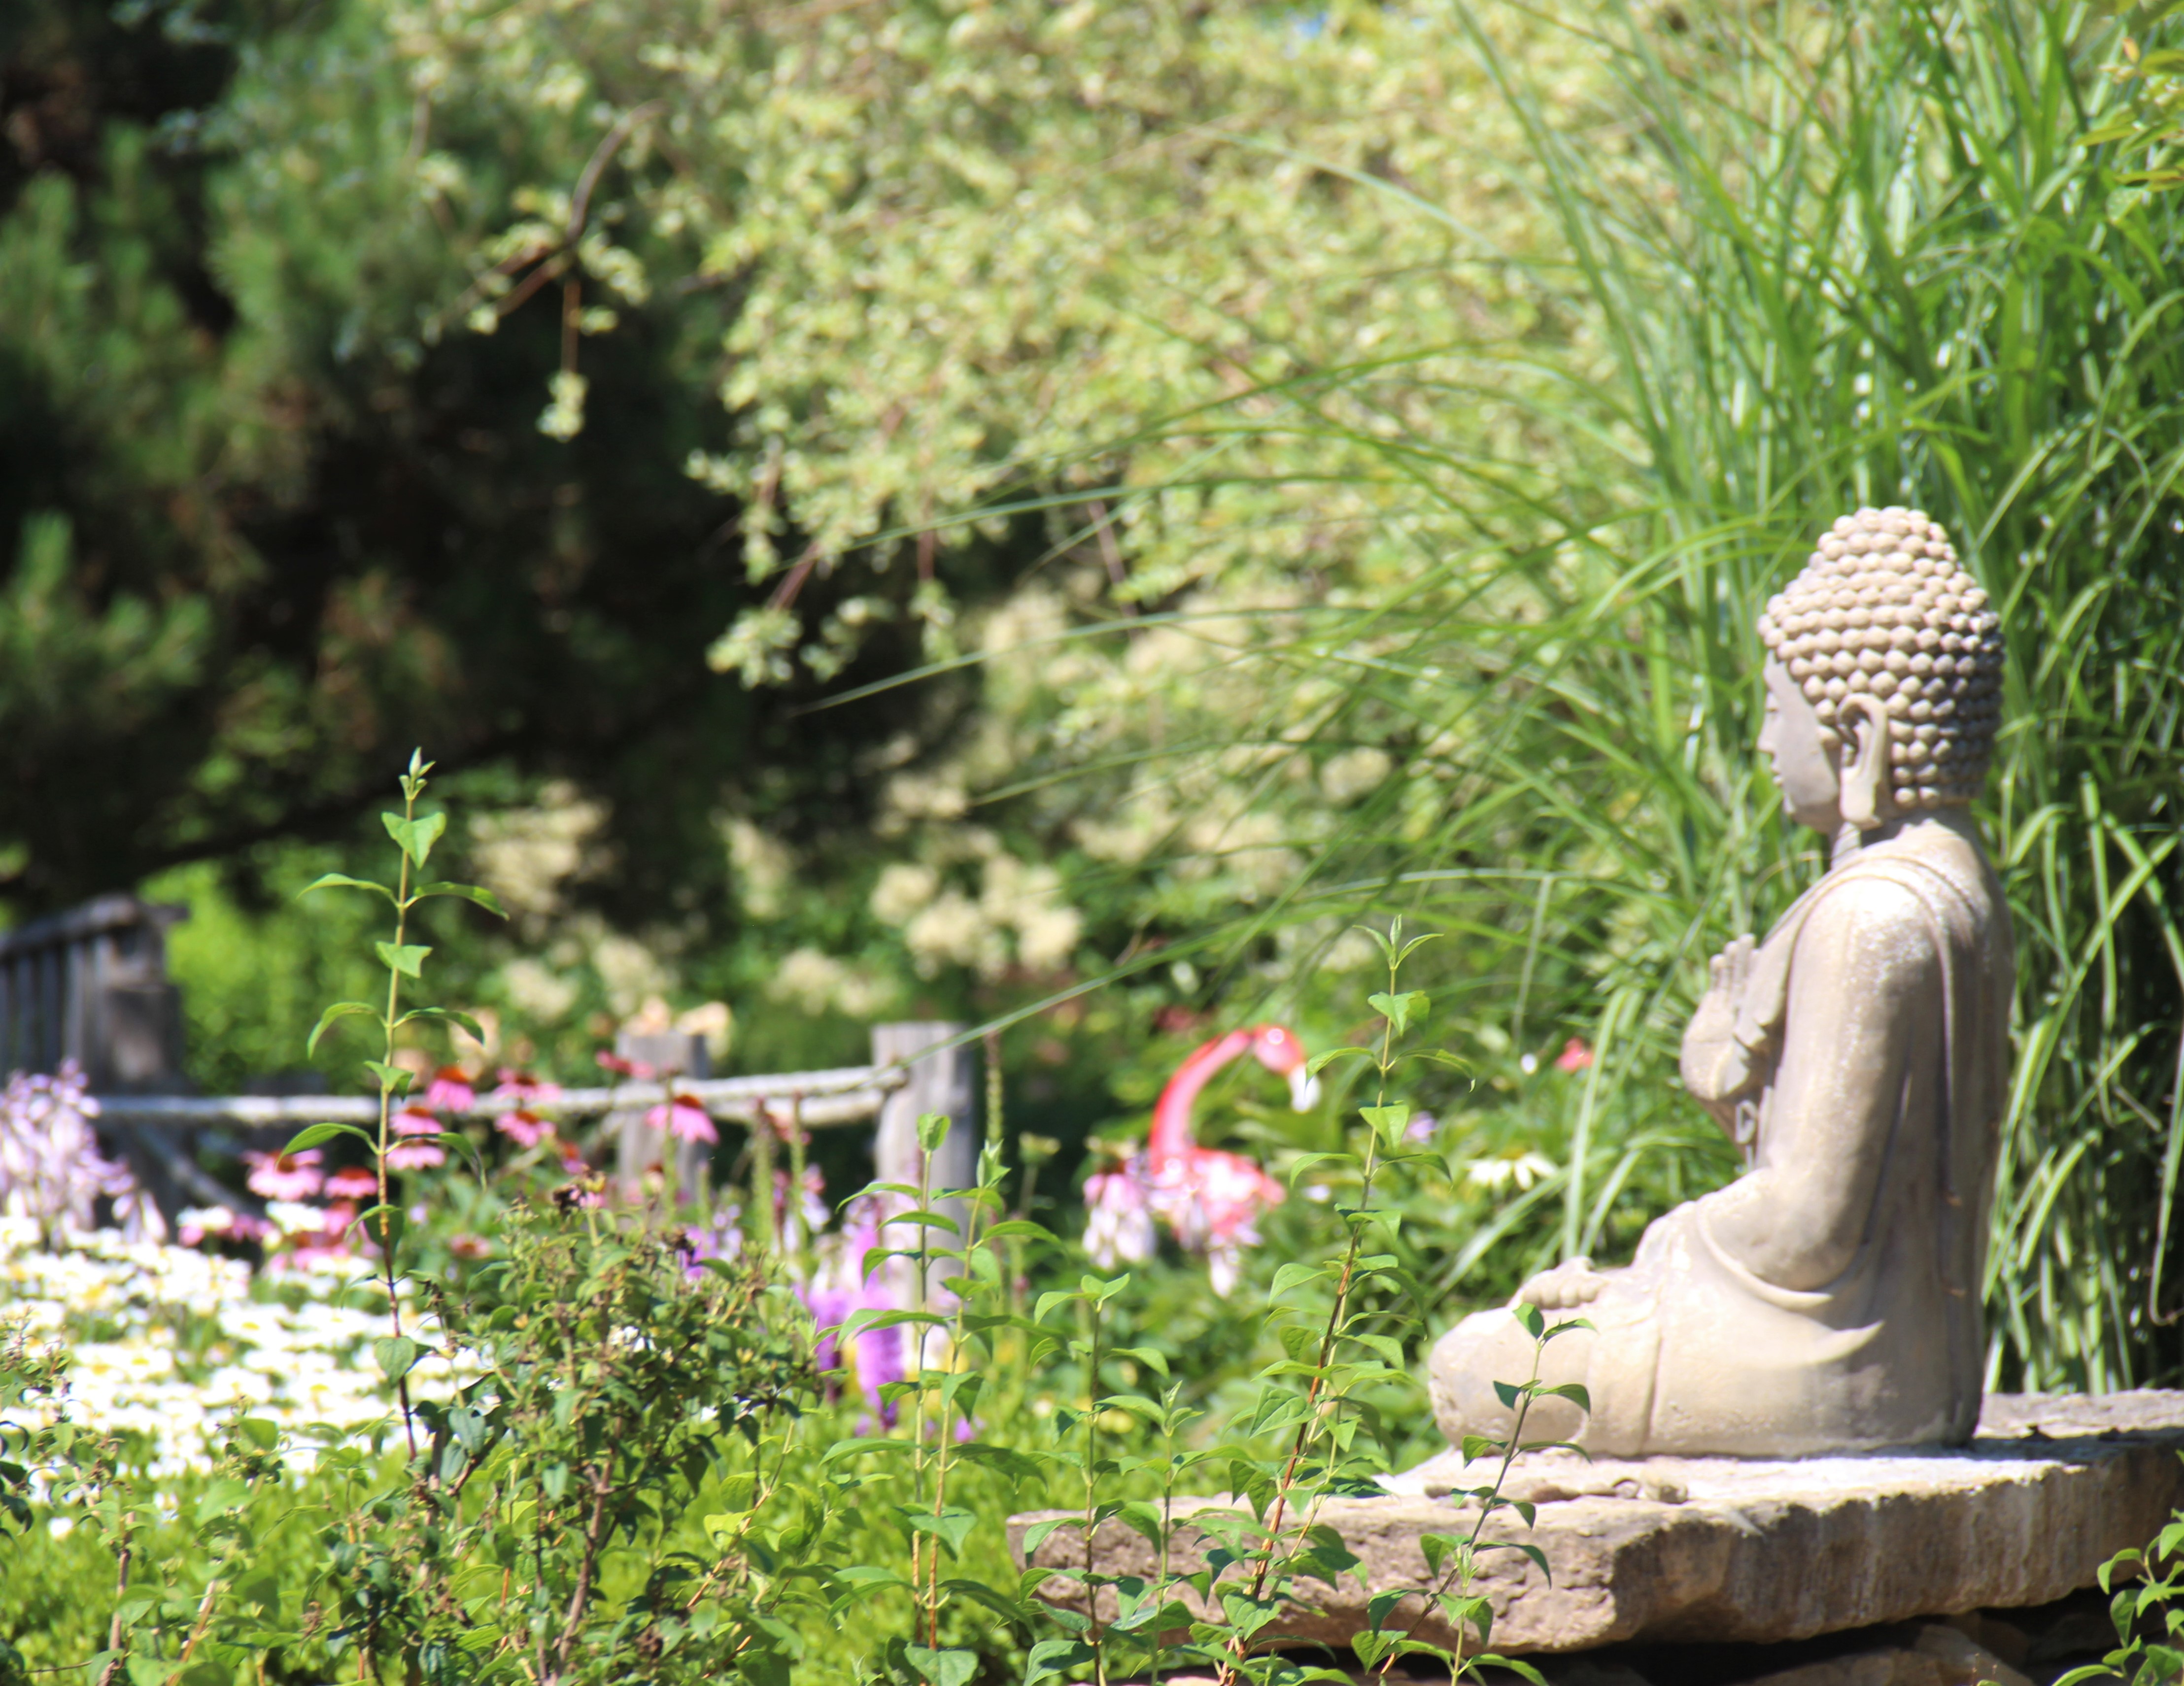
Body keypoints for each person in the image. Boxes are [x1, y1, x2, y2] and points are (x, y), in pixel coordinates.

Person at [1428, 507, 2015, 1457]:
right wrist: (1729, 1081)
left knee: (1476, 1366)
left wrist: (1643, 1265)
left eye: (1777, 711)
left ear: (1858, 740)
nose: (1759, 742)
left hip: (1828, 1369)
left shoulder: (1868, 918)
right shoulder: (1965, 888)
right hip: (1927, 1366)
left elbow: (1806, 1226)